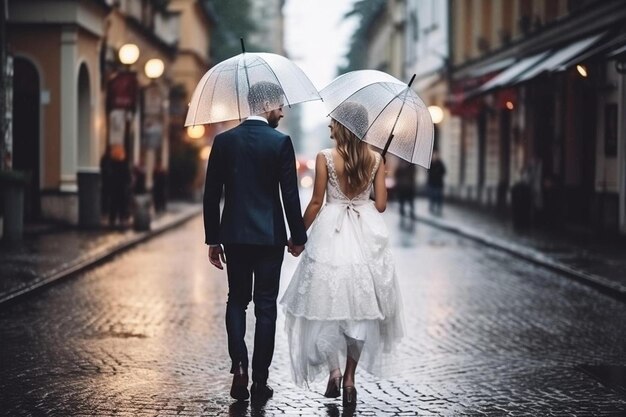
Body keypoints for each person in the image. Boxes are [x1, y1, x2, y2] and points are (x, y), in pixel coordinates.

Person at [280, 102, 404, 408]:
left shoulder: (325, 157)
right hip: (364, 234)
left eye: (333, 122)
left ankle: (333, 372)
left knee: (324, 305)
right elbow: (381, 205)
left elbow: (316, 202)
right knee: (360, 311)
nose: (329, 126)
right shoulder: (376, 159)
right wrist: (373, 176)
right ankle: (349, 379)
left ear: (344, 126)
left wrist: (298, 236)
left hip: (330, 234)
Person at [203, 81, 307, 402]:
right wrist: (298, 236)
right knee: (265, 308)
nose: (282, 111)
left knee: (236, 301)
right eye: (279, 105)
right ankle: (260, 382)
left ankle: (240, 367)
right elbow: (289, 195)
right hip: (269, 237)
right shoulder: (280, 142)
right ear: (267, 105)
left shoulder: (223, 142)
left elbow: (211, 195)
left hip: (234, 235)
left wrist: (213, 239)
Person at [107, 144, 132, 228]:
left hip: (118, 187)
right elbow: (127, 175)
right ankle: (117, 219)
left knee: (117, 204)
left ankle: (115, 219)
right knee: (118, 203)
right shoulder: (121, 163)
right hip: (118, 187)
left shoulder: (113, 163)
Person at [427, 150, 446, 215]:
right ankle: (431, 207)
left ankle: (438, 208)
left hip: (438, 183)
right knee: (432, 196)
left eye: (436, 155)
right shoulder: (430, 164)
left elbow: (443, 172)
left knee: (438, 196)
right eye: (433, 155)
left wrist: (437, 173)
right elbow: (428, 172)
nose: (434, 156)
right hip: (432, 183)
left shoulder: (440, 163)